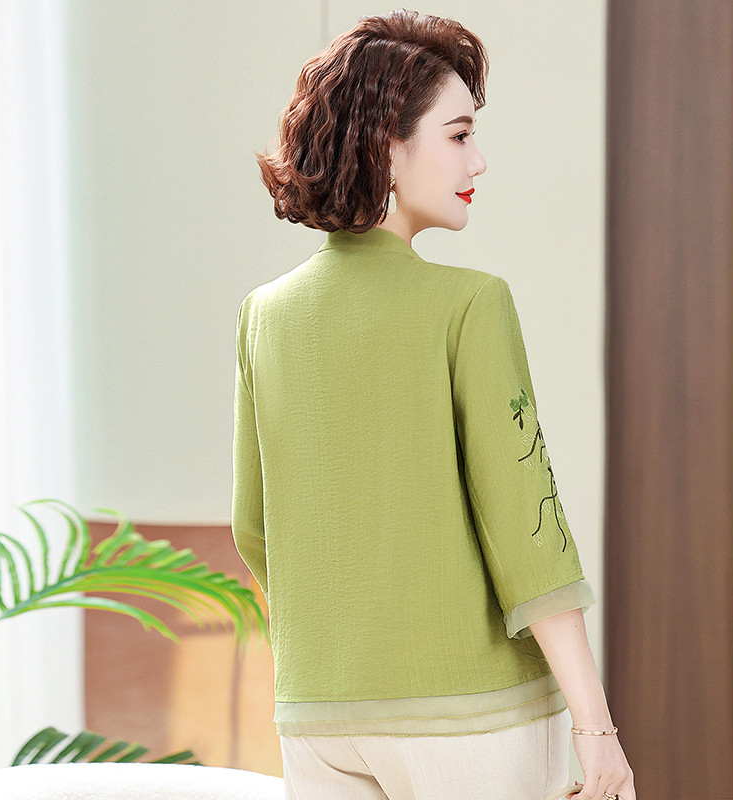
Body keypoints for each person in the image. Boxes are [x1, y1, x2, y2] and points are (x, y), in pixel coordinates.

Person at [232, 9, 636, 800]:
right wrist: (598, 730)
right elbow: (529, 533)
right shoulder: (470, 304)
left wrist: (336, 660)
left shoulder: (262, 315)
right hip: (471, 719)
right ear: (386, 145)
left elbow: (253, 527)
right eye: (458, 135)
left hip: (316, 714)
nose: (477, 160)